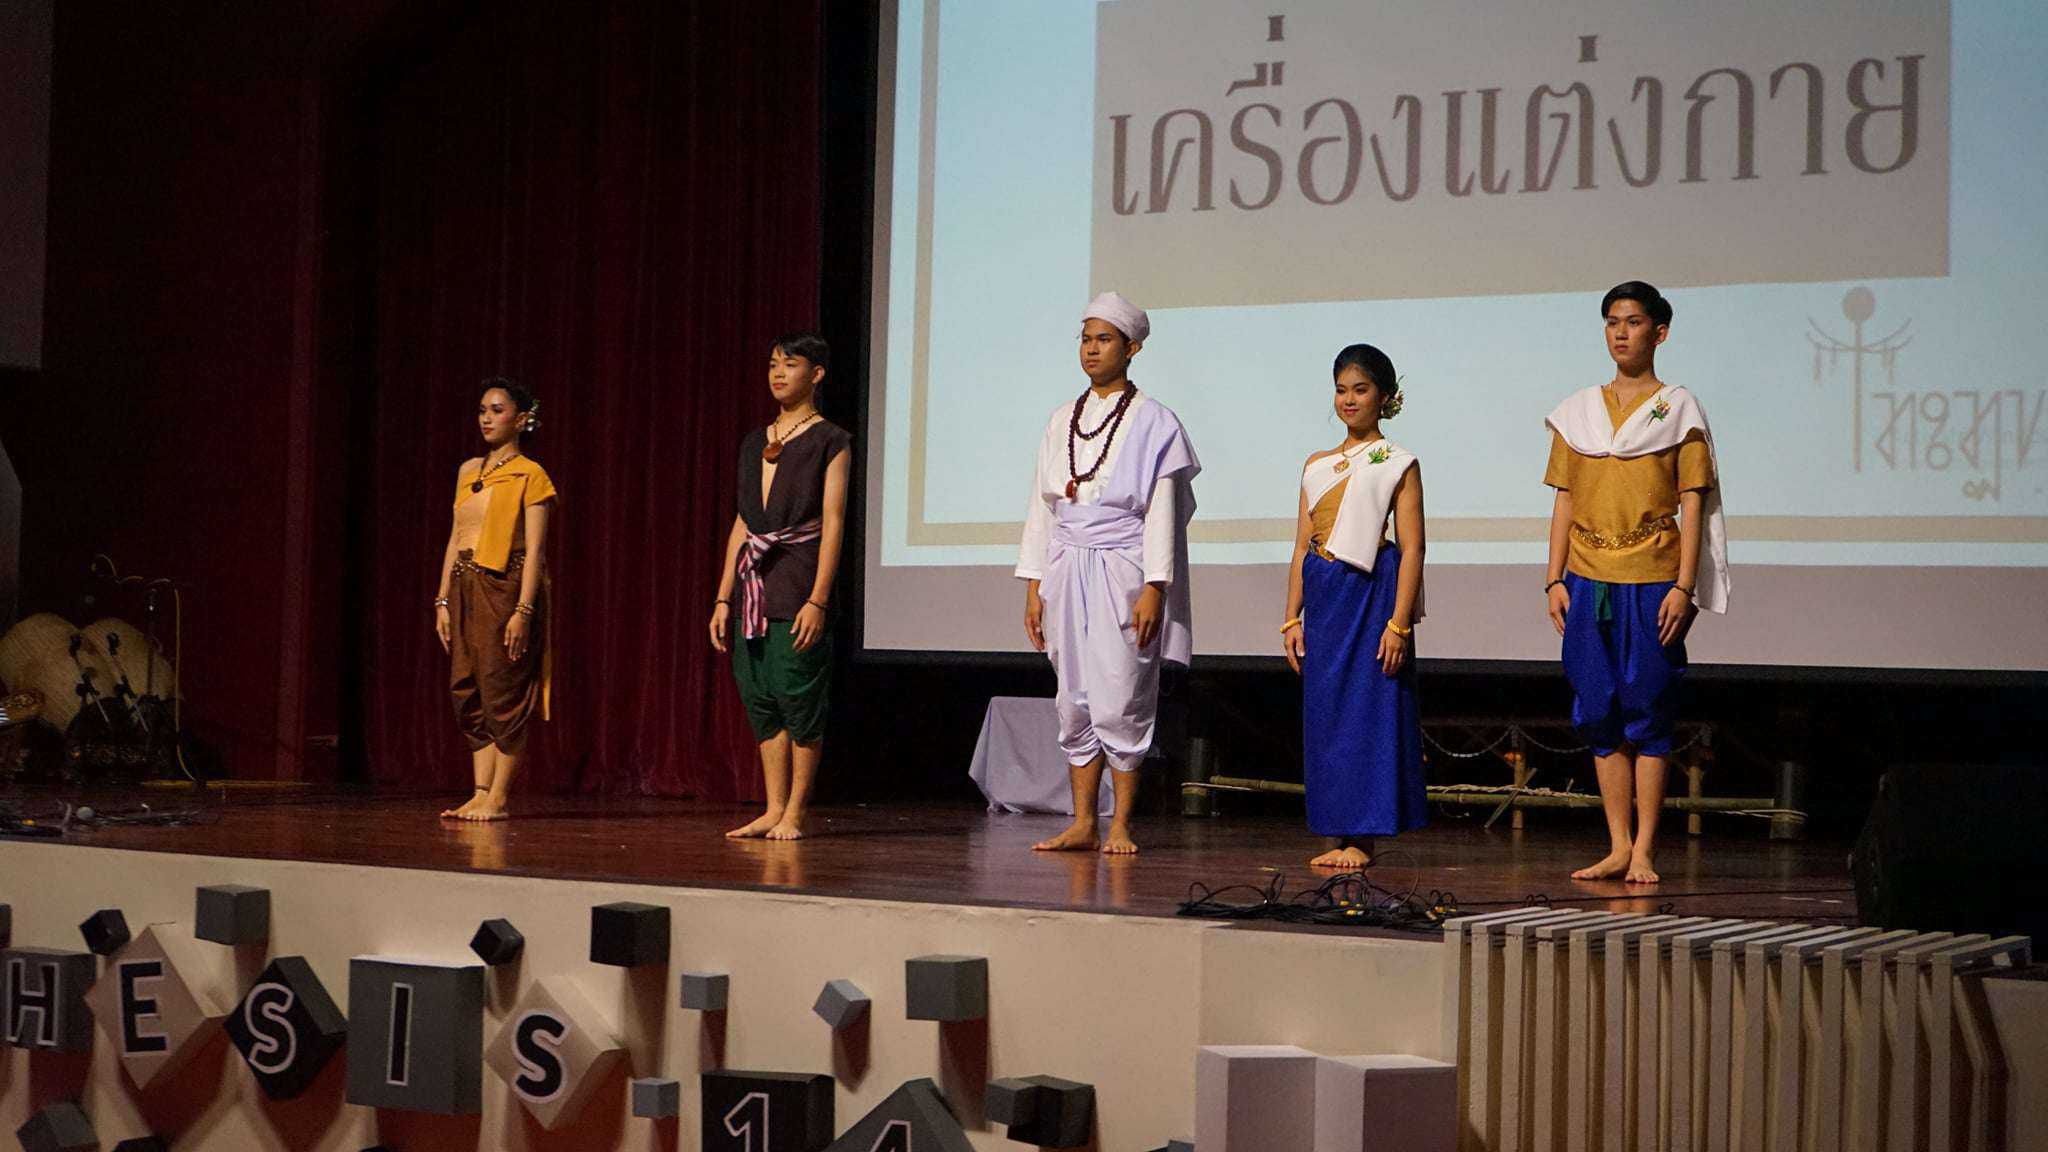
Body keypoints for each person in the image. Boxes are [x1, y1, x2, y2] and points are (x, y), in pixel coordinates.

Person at [1543, 281, 1728, 884]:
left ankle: (1645, 848)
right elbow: (1565, 500)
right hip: (1587, 577)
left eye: (1634, 322)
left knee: (1648, 708)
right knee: (1598, 709)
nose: (1621, 333)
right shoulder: (1578, 413)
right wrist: (1553, 579)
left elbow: (1693, 503)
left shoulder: (1678, 410)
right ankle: (1617, 845)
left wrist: (1683, 586)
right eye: (1612, 322)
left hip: (1651, 579)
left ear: (1659, 332)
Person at [1017, 291, 1200, 856]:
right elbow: (1042, 508)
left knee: (1121, 691)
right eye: (1086, 338)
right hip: (1066, 565)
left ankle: (1119, 823)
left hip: (1124, 567)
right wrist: (1034, 586)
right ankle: (1082, 822)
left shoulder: (1156, 421)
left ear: (1132, 348)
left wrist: (1155, 586)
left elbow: (1163, 512)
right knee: (1072, 695)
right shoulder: (1061, 419)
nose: (1092, 349)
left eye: (1104, 339)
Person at [1281, 344, 1427, 870]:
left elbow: (1413, 547)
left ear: (1384, 396)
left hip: (1370, 593)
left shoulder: (1397, 462)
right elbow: (1301, 546)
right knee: (1327, 718)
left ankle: (1363, 839)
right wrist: (1292, 617)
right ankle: (1334, 831)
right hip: (1325, 594)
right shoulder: (1316, 464)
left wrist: (1399, 624)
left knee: (1368, 712)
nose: (1349, 400)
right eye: (1341, 390)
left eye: (1360, 390)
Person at [711, 332, 852, 841]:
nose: (778, 373)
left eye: (790, 364)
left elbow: (832, 522)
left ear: (816, 374)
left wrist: (818, 598)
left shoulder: (830, 440)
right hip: (753, 587)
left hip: (798, 583)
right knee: (761, 698)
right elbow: (743, 522)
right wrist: (723, 596)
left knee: (799, 698)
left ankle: (795, 811)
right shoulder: (755, 440)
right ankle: (772, 808)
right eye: (773, 363)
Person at [436, 378, 557, 822]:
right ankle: (480, 791)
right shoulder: (468, 470)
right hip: (463, 584)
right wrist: (442, 601)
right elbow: (455, 538)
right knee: (467, 687)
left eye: (497, 410)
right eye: (482, 410)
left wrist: (523, 610)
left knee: (502, 686)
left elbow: (536, 551)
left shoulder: (530, 474)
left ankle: (499, 798)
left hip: (504, 585)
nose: (486, 418)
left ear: (521, 419)